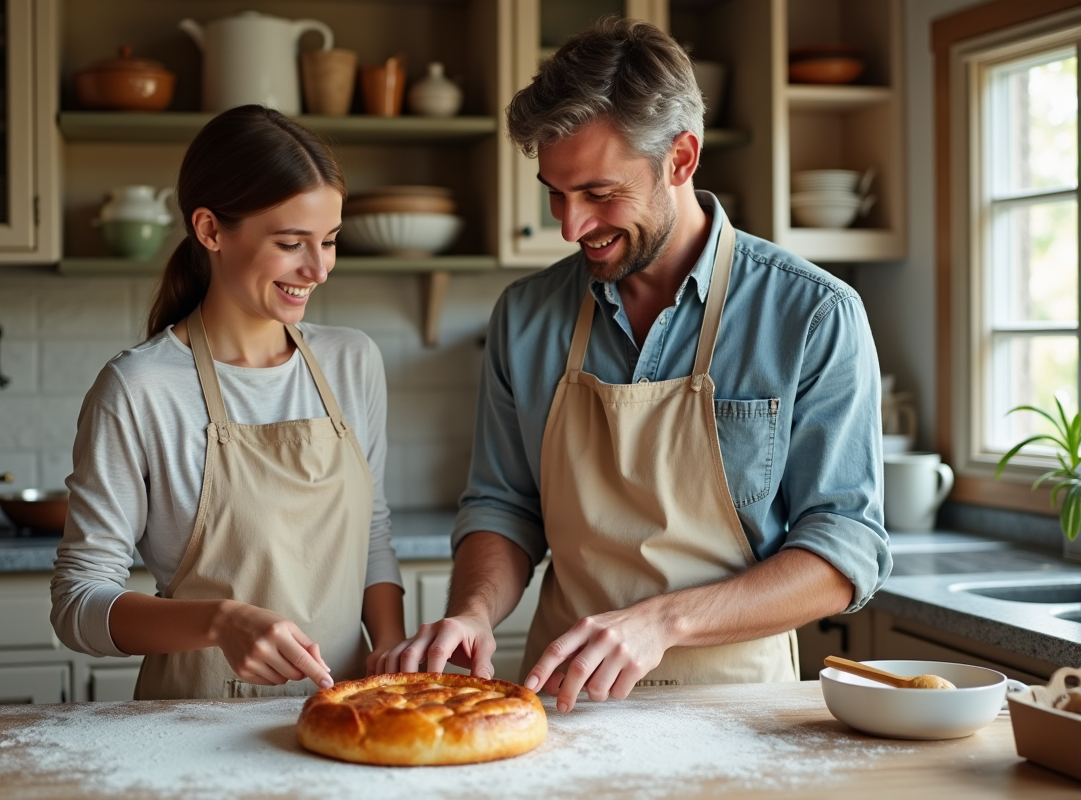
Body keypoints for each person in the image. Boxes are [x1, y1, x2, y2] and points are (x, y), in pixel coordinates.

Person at [376, 18, 889, 711]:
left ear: (681, 159)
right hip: (566, 705)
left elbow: (844, 549)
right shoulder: (526, 316)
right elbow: (503, 506)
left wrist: (662, 623)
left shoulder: (813, 314)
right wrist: (473, 611)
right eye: (555, 193)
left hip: (738, 712)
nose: (570, 226)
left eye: (598, 193)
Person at [51, 105, 405, 699]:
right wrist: (220, 621)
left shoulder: (352, 360)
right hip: (194, 723)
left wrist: (390, 648)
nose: (318, 269)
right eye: (291, 243)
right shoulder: (139, 388)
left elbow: (371, 532)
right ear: (210, 230)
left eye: (329, 241)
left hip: (346, 709)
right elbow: (78, 603)